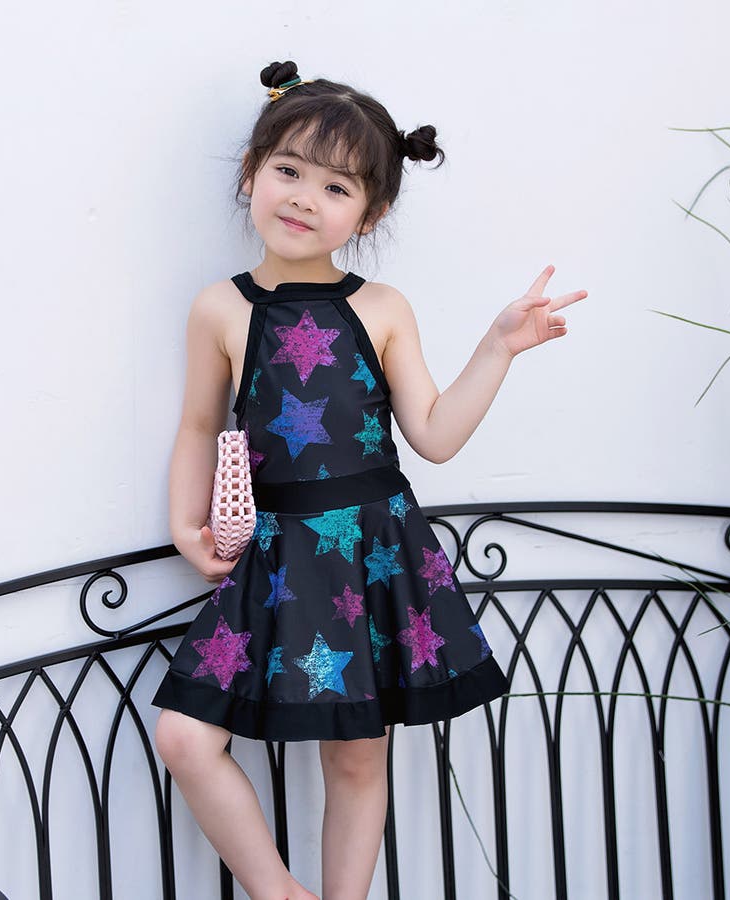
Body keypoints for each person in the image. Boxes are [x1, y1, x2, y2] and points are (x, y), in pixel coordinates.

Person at [151, 60, 587, 900]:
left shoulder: (382, 308)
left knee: (356, 757)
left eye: (336, 187)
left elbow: (435, 435)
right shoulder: (220, 308)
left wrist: (497, 348)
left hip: (372, 551)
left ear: (370, 212)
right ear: (251, 172)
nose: (304, 199)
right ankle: (282, 893)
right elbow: (200, 424)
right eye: (288, 171)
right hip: (275, 556)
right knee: (184, 736)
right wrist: (185, 525)